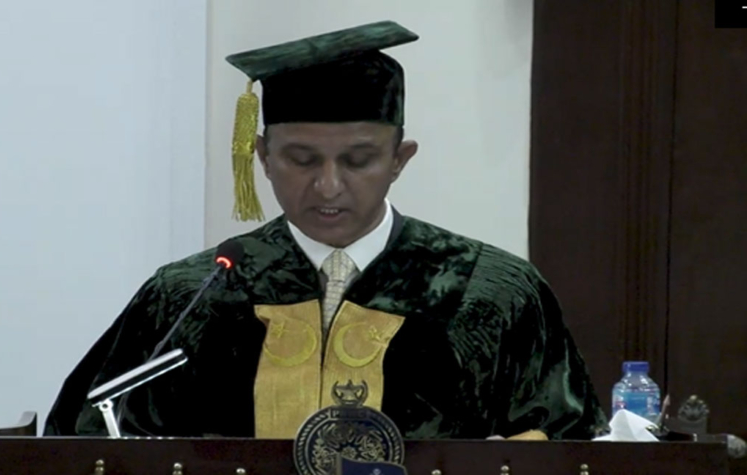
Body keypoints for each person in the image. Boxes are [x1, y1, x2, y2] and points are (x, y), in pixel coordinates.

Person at [43, 20, 607, 441]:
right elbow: (82, 438)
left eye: (358, 160)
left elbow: (570, 440)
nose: (328, 186)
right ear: (263, 157)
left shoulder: (490, 292)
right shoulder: (193, 293)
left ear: (400, 159)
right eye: (301, 159)